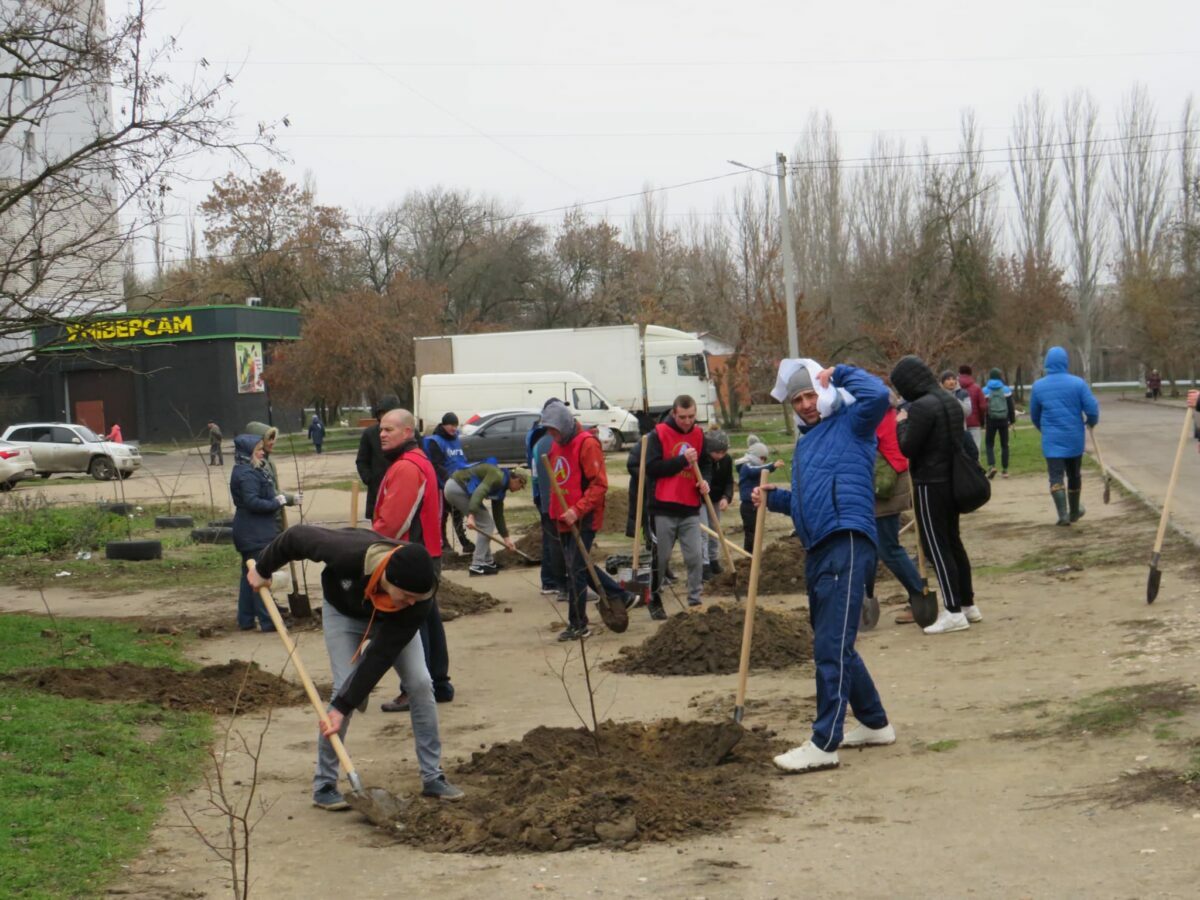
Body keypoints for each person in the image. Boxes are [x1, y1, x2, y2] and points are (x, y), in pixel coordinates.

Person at [246, 525, 463, 809]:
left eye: (417, 598)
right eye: (407, 595)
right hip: (344, 612)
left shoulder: (418, 600)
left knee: (421, 684)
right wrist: (263, 569)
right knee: (343, 685)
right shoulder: (347, 553)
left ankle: (433, 777)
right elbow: (295, 536)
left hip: (391, 623)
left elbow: (380, 655)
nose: (412, 602)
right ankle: (324, 784)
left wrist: (345, 705)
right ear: (388, 577)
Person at [753, 359, 894, 774]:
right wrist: (774, 500)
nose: (805, 404)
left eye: (811, 394)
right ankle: (874, 723)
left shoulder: (853, 422)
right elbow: (805, 502)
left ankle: (823, 742)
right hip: (817, 548)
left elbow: (879, 395)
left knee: (829, 646)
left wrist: (843, 371)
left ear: (824, 393)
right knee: (835, 642)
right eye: (797, 398)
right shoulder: (807, 444)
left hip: (847, 539)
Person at [372, 409, 455, 709]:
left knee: (410, 626)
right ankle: (439, 684)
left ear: (407, 432)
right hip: (424, 553)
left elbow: (394, 522)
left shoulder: (407, 467)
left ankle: (415, 689)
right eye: (381, 429)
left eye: (389, 429)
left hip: (410, 557)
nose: (382, 434)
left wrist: (372, 542)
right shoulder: (416, 461)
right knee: (428, 620)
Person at [891, 355, 979, 634]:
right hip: (951, 480)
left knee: (935, 547)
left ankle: (952, 610)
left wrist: (901, 422)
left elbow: (907, 447)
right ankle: (968, 604)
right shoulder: (950, 401)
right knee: (953, 542)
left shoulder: (920, 408)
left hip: (930, 483)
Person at [541, 399, 608, 641]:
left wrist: (577, 510)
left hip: (584, 518)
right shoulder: (557, 445)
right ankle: (618, 595)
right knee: (574, 568)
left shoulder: (587, 444)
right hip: (563, 519)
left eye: (553, 430)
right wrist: (553, 514)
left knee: (576, 569)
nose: (550, 434)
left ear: (565, 425)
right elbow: (558, 482)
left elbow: (599, 484)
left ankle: (579, 624)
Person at [645, 395, 711, 608]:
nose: (687, 421)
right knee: (661, 559)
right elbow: (652, 468)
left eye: (691, 416)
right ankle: (654, 598)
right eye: (682, 417)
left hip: (690, 506)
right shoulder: (659, 434)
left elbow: (706, 465)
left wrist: (706, 482)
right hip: (663, 506)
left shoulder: (700, 435)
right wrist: (682, 460)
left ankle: (694, 599)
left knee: (694, 557)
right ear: (674, 413)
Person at [869, 396, 926, 626]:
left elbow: (892, 454)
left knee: (888, 548)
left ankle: (919, 597)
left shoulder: (880, 417)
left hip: (884, 487)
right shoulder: (886, 413)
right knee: (876, 547)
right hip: (883, 485)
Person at [231, 434, 297, 632]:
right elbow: (252, 502)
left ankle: (246, 619)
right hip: (254, 532)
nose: (262, 452)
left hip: (253, 530)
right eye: (258, 450)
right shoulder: (247, 474)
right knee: (261, 573)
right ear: (248, 453)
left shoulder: (252, 470)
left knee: (248, 576)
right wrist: (276, 502)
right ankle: (269, 620)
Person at [1029, 346, 1100, 527]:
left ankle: (1063, 514)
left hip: (1052, 440)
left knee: (1055, 476)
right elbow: (1091, 408)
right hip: (1074, 437)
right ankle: (1074, 511)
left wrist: (1045, 430)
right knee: (1074, 474)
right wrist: (1091, 421)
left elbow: (1035, 415)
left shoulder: (1038, 387)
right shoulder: (1078, 383)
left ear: (1047, 364)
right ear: (1065, 362)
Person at [444, 461, 527, 576]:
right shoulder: (498, 476)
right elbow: (479, 492)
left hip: (457, 488)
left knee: (486, 522)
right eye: (521, 486)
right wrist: (471, 515)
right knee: (486, 523)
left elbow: (498, 515)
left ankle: (487, 561)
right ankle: (477, 564)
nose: (519, 489)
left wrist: (506, 539)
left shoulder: (502, 487)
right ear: (517, 479)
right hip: (457, 487)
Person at [526, 407, 566, 598]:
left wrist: (538, 498)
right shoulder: (552, 443)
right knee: (557, 542)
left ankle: (548, 581)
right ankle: (560, 584)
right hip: (554, 500)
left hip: (542, 497)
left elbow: (533, 474)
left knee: (549, 540)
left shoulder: (536, 442)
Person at [423, 412, 474, 554]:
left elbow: (461, 459)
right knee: (442, 515)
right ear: (444, 424)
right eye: (451, 425)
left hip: (459, 483)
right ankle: (443, 543)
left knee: (457, 514)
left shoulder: (456, 439)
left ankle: (464, 542)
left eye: (455, 425)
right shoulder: (435, 441)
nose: (453, 428)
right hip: (442, 485)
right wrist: (448, 478)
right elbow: (436, 464)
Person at [735, 437, 783, 553]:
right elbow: (756, 470)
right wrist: (772, 466)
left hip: (755, 504)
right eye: (762, 458)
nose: (763, 461)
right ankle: (749, 555)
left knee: (757, 531)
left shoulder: (752, 465)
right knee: (751, 532)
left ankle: (754, 554)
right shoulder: (746, 467)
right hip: (748, 505)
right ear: (754, 456)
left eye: (765, 459)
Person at [356, 395, 399, 522]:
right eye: (382, 413)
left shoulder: (408, 432)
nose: (384, 416)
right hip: (377, 489)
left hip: (401, 487)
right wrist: (370, 479)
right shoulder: (370, 434)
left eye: (388, 413)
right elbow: (361, 460)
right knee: (380, 528)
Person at [699, 429, 733, 581]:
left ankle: (713, 560)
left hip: (715, 500)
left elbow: (729, 481)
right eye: (717, 453)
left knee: (716, 531)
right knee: (703, 533)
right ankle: (704, 565)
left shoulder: (726, 460)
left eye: (723, 452)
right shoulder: (702, 460)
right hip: (700, 500)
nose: (720, 456)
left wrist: (726, 497)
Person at [982, 368, 1016, 479]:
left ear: (990, 376)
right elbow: (1011, 407)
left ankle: (991, 466)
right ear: (1000, 376)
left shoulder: (985, 390)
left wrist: (983, 422)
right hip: (1003, 420)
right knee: (1004, 445)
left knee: (989, 444)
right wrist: (1012, 421)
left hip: (991, 420)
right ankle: (1005, 470)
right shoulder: (1006, 390)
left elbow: (983, 407)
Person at [958, 365, 986, 452]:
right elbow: (983, 406)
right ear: (971, 373)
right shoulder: (976, 388)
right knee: (975, 450)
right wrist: (981, 420)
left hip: (959, 424)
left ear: (959, 373)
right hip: (974, 423)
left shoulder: (955, 389)